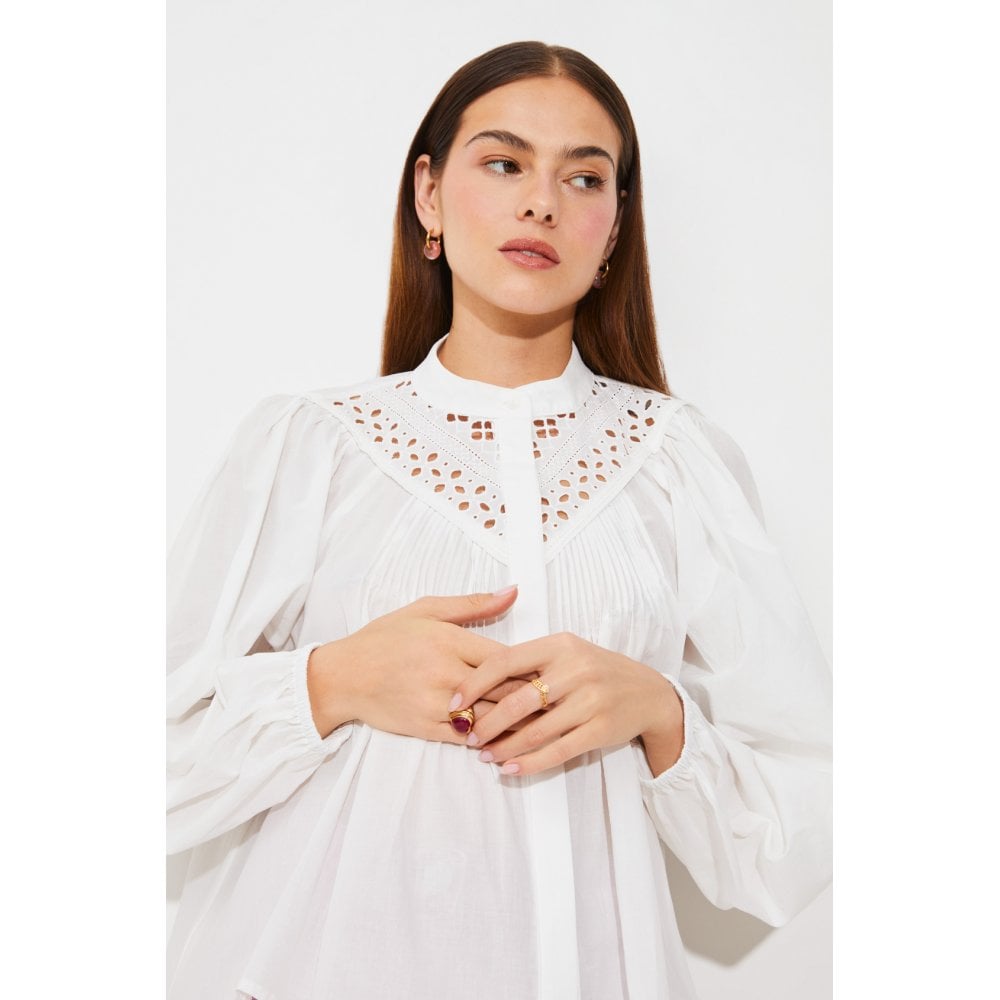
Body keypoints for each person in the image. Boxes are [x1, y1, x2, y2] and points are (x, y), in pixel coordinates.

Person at [167, 40, 831, 1000]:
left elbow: (796, 824)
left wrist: (657, 711)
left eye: (584, 178)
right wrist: (331, 681)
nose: (541, 203)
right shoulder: (310, 446)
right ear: (429, 195)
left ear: (615, 229)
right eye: (505, 163)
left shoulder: (678, 463)